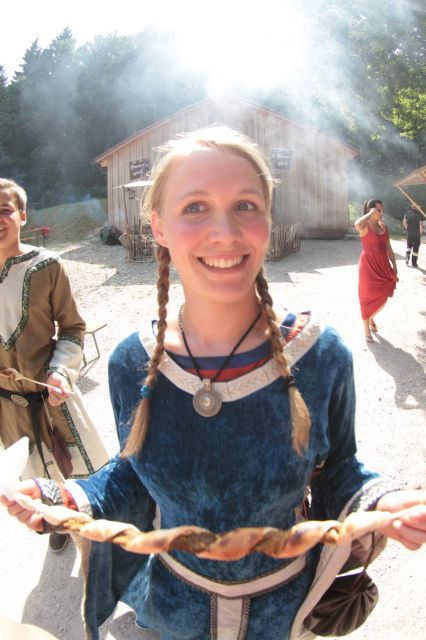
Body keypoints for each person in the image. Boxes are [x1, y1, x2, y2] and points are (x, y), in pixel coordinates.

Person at [1, 130, 426, 640]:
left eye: (246, 205)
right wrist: (68, 496)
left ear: (268, 220)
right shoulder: (133, 362)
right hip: (176, 608)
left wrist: (382, 501)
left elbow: (338, 471)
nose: (225, 232)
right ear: (158, 226)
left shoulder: (319, 355)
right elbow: (133, 476)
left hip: (284, 613)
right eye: (195, 207)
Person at [0, 178, 109, 552]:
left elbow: (73, 328)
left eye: (4, 210)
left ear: (22, 216)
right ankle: (57, 520)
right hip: (7, 409)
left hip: (52, 399)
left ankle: (94, 534)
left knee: (79, 473)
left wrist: (61, 370)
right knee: (34, 477)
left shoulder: (47, 266)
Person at [354, 199, 398, 342]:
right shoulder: (364, 226)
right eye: (378, 210)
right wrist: (369, 214)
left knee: (383, 297)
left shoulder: (384, 227)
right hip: (368, 267)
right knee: (367, 297)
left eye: (381, 209)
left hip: (383, 266)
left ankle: (371, 317)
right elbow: (357, 224)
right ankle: (366, 328)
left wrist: (395, 266)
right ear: (371, 211)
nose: (381, 212)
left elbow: (388, 248)